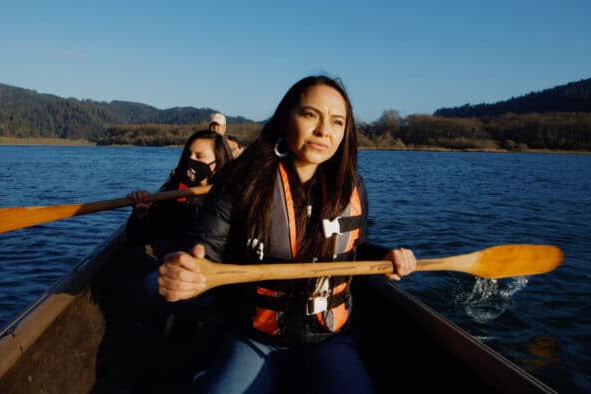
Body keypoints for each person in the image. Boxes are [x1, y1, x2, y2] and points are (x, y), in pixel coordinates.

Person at [159, 75, 417, 393]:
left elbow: (354, 251)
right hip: (257, 337)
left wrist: (386, 257)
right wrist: (185, 274)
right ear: (286, 118)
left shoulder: (351, 185)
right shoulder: (243, 179)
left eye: (337, 122)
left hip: (328, 337)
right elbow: (205, 250)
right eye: (310, 115)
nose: (324, 130)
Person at [126, 129, 233, 263]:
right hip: (169, 265)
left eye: (199, 156)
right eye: (189, 154)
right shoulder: (172, 192)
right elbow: (138, 238)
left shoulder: (228, 199)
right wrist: (140, 216)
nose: (191, 160)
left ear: (218, 163)